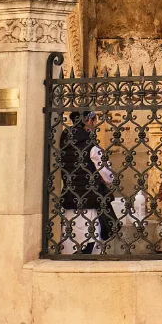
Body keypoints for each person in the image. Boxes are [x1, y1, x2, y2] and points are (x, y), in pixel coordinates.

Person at [57, 109, 115, 254]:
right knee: (90, 235)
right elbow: (106, 174)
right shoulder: (92, 146)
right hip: (90, 198)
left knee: (72, 236)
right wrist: (108, 179)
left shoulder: (63, 144)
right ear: (88, 121)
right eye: (94, 120)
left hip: (70, 197)